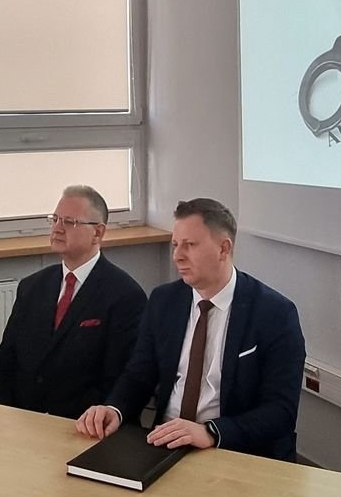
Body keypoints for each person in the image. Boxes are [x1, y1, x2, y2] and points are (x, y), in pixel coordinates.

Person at [76, 198, 306, 461]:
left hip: (233, 448)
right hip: (165, 441)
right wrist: (114, 409)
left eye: (190, 245)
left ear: (223, 248)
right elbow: (139, 375)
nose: (177, 256)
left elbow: (281, 410)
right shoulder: (164, 301)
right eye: (176, 245)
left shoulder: (274, 313)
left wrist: (211, 432)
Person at [0, 185, 146, 418]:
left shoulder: (125, 295)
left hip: (82, 423)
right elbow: (6, 361)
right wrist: (3, 413)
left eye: (70, 222)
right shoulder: (32, 287)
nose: (58, 229)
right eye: (55, 219)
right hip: (22, 419)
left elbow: (120, 379)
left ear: (98, 233)